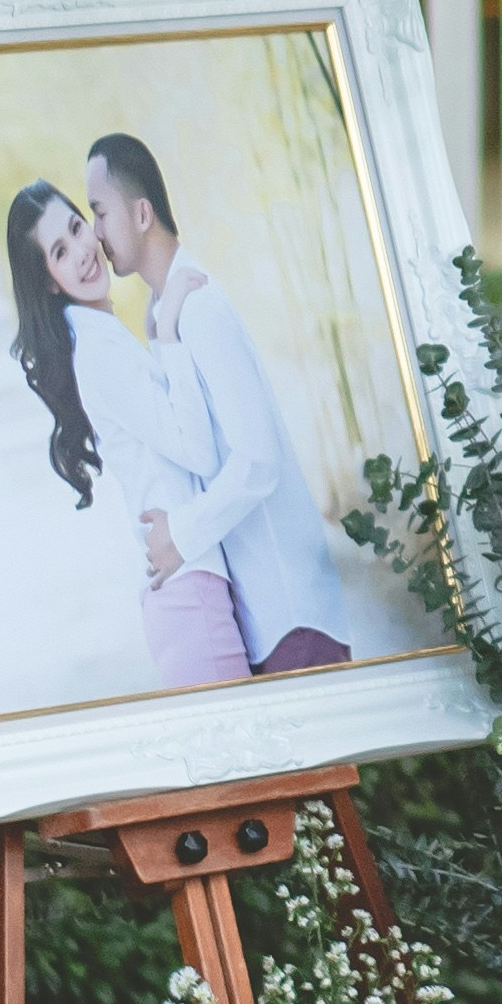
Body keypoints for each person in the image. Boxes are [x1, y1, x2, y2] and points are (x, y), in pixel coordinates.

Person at [91, 130, 364, 676]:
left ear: (141, 213)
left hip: (293, 619)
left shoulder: (200, 308)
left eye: (100, 213)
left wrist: (181, 536)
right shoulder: (166, 314)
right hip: (263, 622)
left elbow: (257, 461)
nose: (96, 233)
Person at [8, 177, 251, 688]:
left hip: (189, 594)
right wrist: (169, 332)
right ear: (49, 280)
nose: (82, 252)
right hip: (191, 597)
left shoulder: (101, 338)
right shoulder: (98, 353)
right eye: (59, 250)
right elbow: (198, 452)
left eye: (77, 228)